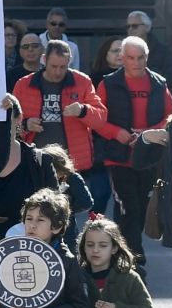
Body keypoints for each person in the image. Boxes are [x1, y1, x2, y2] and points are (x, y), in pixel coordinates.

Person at [92, 35, 172, 271]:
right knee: (130, 208)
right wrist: (118, 133)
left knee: (137, 210)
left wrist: (149, 132)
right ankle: (135, 260)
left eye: (140, 58)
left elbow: (170, 115)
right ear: (122, 58)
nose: (136, 63)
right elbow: (98, 118)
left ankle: (121, 254)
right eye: (131, 58)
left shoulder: (158, 82)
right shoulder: (108, 83)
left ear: (146, 57)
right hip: (118, 157)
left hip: (148, 158)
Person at [12, 38, 107, 215]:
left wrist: (83, 110)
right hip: (35, 160)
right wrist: (25, 124)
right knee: (36, 210)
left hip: (69, 163)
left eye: (63, 66)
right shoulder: (24, 84)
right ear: (44, 60)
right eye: (54, 66)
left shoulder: (82, 81)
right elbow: (10, 123)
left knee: (68, 214)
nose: (58, 72)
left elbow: (100, 119)